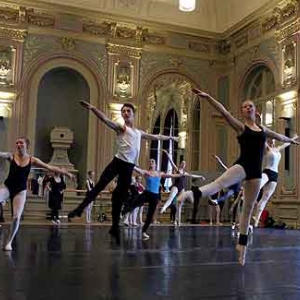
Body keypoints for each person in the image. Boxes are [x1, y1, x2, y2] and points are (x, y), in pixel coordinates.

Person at [191, 88, 299, 265]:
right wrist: (209, 97)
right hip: (253, 169)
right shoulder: (248, 132)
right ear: (242, 111)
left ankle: (244, 243)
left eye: (250, 106)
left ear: (255, 110)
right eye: (245, 107)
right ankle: (198, 195)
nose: (248, 108)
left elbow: (279, 136)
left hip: (266, 174)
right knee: (228, 189)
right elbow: (224, 113)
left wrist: (291, 140)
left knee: (254, 205)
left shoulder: (264, 131)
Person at [67, 101, 178, 244]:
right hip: (117, 162)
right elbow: (106, 120)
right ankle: (79, 209)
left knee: (118, 197)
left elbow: (155, 137)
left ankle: (114, 227)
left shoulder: (139, 132)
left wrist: (171, 138)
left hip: (128, 168)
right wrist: (93, 108)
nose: (125, 113)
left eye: (128, 111)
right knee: (100, 185)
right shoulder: (122, 128)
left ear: (133, 114)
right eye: (123, 111)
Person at [0, 137, 73, 251]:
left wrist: (65, 172)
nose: (18, 144)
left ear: (26, 145)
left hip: (20, 191)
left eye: (21, 143)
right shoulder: (11, 156)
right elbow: (2, 154)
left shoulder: (32, 160)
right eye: (17, 143)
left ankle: (9, 242)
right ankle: (3, 199)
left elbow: (49, 167)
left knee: (16, 217)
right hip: (8, 187)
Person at [125, 158, 185, 240]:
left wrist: (181, 175)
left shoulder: (159, 174)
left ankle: (143, 232)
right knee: (135, 201)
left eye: (152, 162)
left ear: (155, 164)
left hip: (155, 196)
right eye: (149, 162)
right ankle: (124, 213)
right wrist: (131, 165)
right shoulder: (147, 173)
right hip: (147, 193)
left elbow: (171, 175)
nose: (151, 163)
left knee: (150, 215)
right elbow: (139, 170)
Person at [253, 136, 298, 227]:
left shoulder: (277, 149)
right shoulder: (267, 148)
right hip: (267, 172)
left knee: (265, 199)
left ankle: (256, 221)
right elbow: (261, 138)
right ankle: (247, 198)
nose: (273, 142)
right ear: (268, 141)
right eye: (271, 140)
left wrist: (295, 138)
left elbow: (286, 143)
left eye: (274, 140)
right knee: (257, 187)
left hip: (274, 175)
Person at [160, 149, 204, 214]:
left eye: (184, 163)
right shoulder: (177, 169)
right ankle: (164, 208)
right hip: (176, 186)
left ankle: (177, 219)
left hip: (182, 188)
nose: (183, 164)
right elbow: (171, 161)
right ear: (180, 164)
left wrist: (200, 176)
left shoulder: (184, 173)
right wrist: (167, 153)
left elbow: (192, 175)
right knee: (171, 198)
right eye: (182, 163)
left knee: (180, 203)